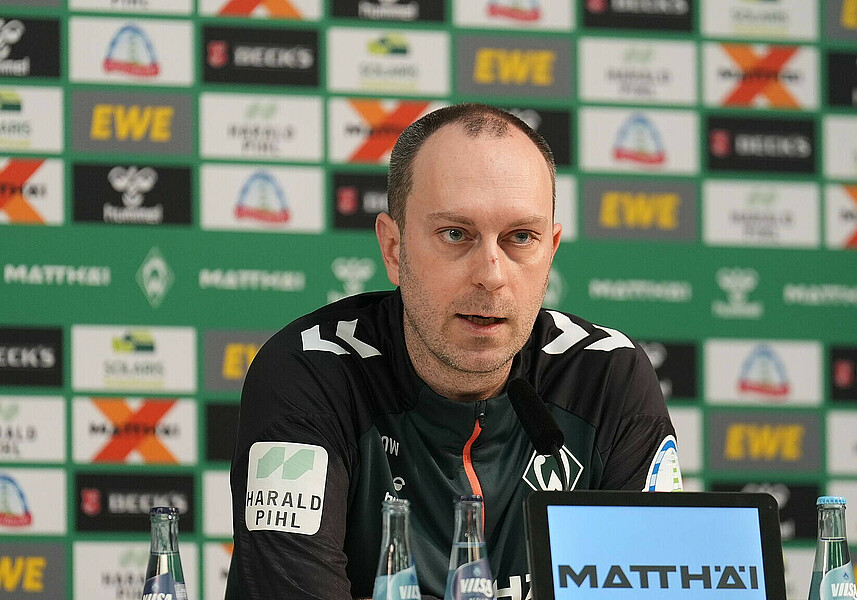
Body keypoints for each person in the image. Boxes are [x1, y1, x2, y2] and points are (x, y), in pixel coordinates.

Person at [226, 103, 683, 600]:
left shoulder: (605, 375)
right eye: (455, 235)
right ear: (394, 249)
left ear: (551, 249)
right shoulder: (310, 373)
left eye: (520, 238)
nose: (490, 273)